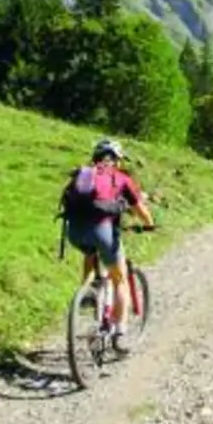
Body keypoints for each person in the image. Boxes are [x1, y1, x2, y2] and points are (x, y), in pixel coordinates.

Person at [62, 138, 154, 349]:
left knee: (90, 252)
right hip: (103, 232)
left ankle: (88, 291)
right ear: (117, 160)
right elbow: (139, 209)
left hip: (74, 232)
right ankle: (120, 332)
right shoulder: (120, 178)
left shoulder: (83, 175)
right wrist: (149, 225)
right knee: (119, 279)